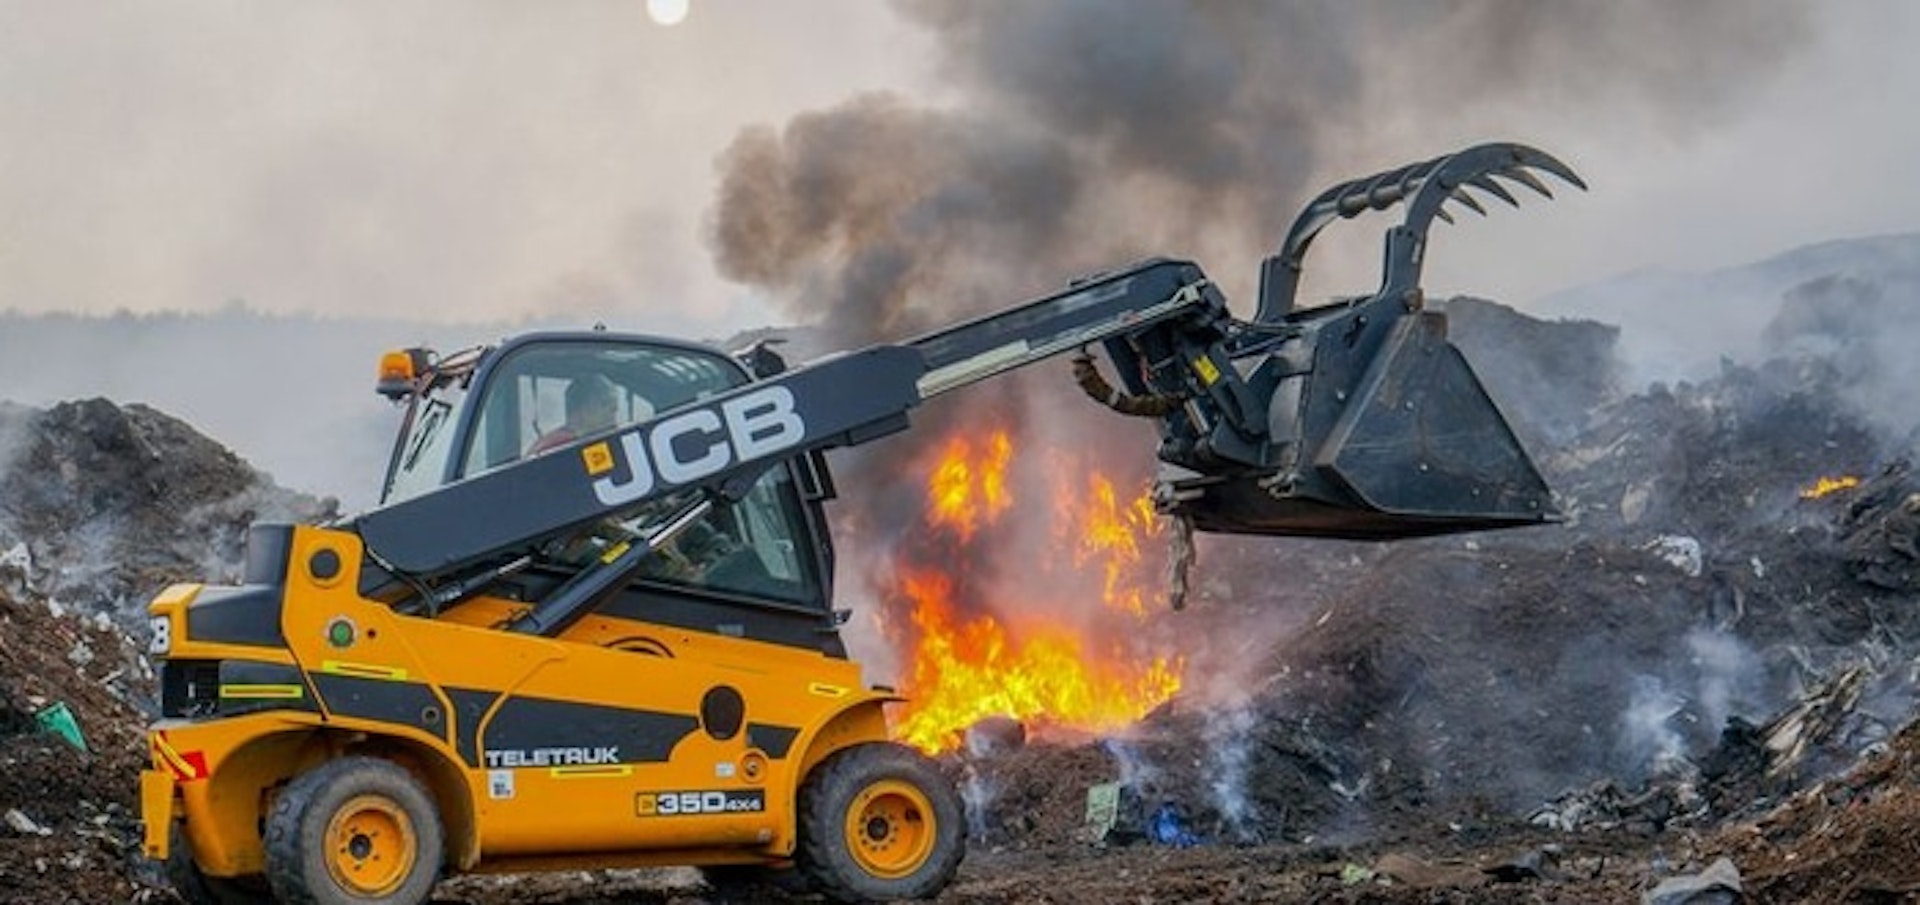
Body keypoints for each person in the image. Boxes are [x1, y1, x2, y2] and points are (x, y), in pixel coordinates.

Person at [528, 373, 620, 455]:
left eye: (614, 404)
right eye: (605, 403)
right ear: (581, 409)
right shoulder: (556, 447)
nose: (614, 409)